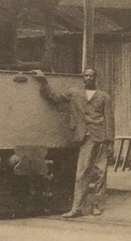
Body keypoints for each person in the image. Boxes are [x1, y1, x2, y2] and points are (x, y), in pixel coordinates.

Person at [34, 67, 115, 218]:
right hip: (85, 137)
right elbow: (54, 98)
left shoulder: (104, 96)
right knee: (81, 173)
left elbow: (110, 120)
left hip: (101, 138)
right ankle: (76, 209)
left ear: (95, 78)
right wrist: (43, 80)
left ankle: (96, 206)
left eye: (91, 76)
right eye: (86, 75)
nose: (88, 78)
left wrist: (110, 142)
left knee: (100, 173)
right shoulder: (74, 93)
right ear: (83, 77)